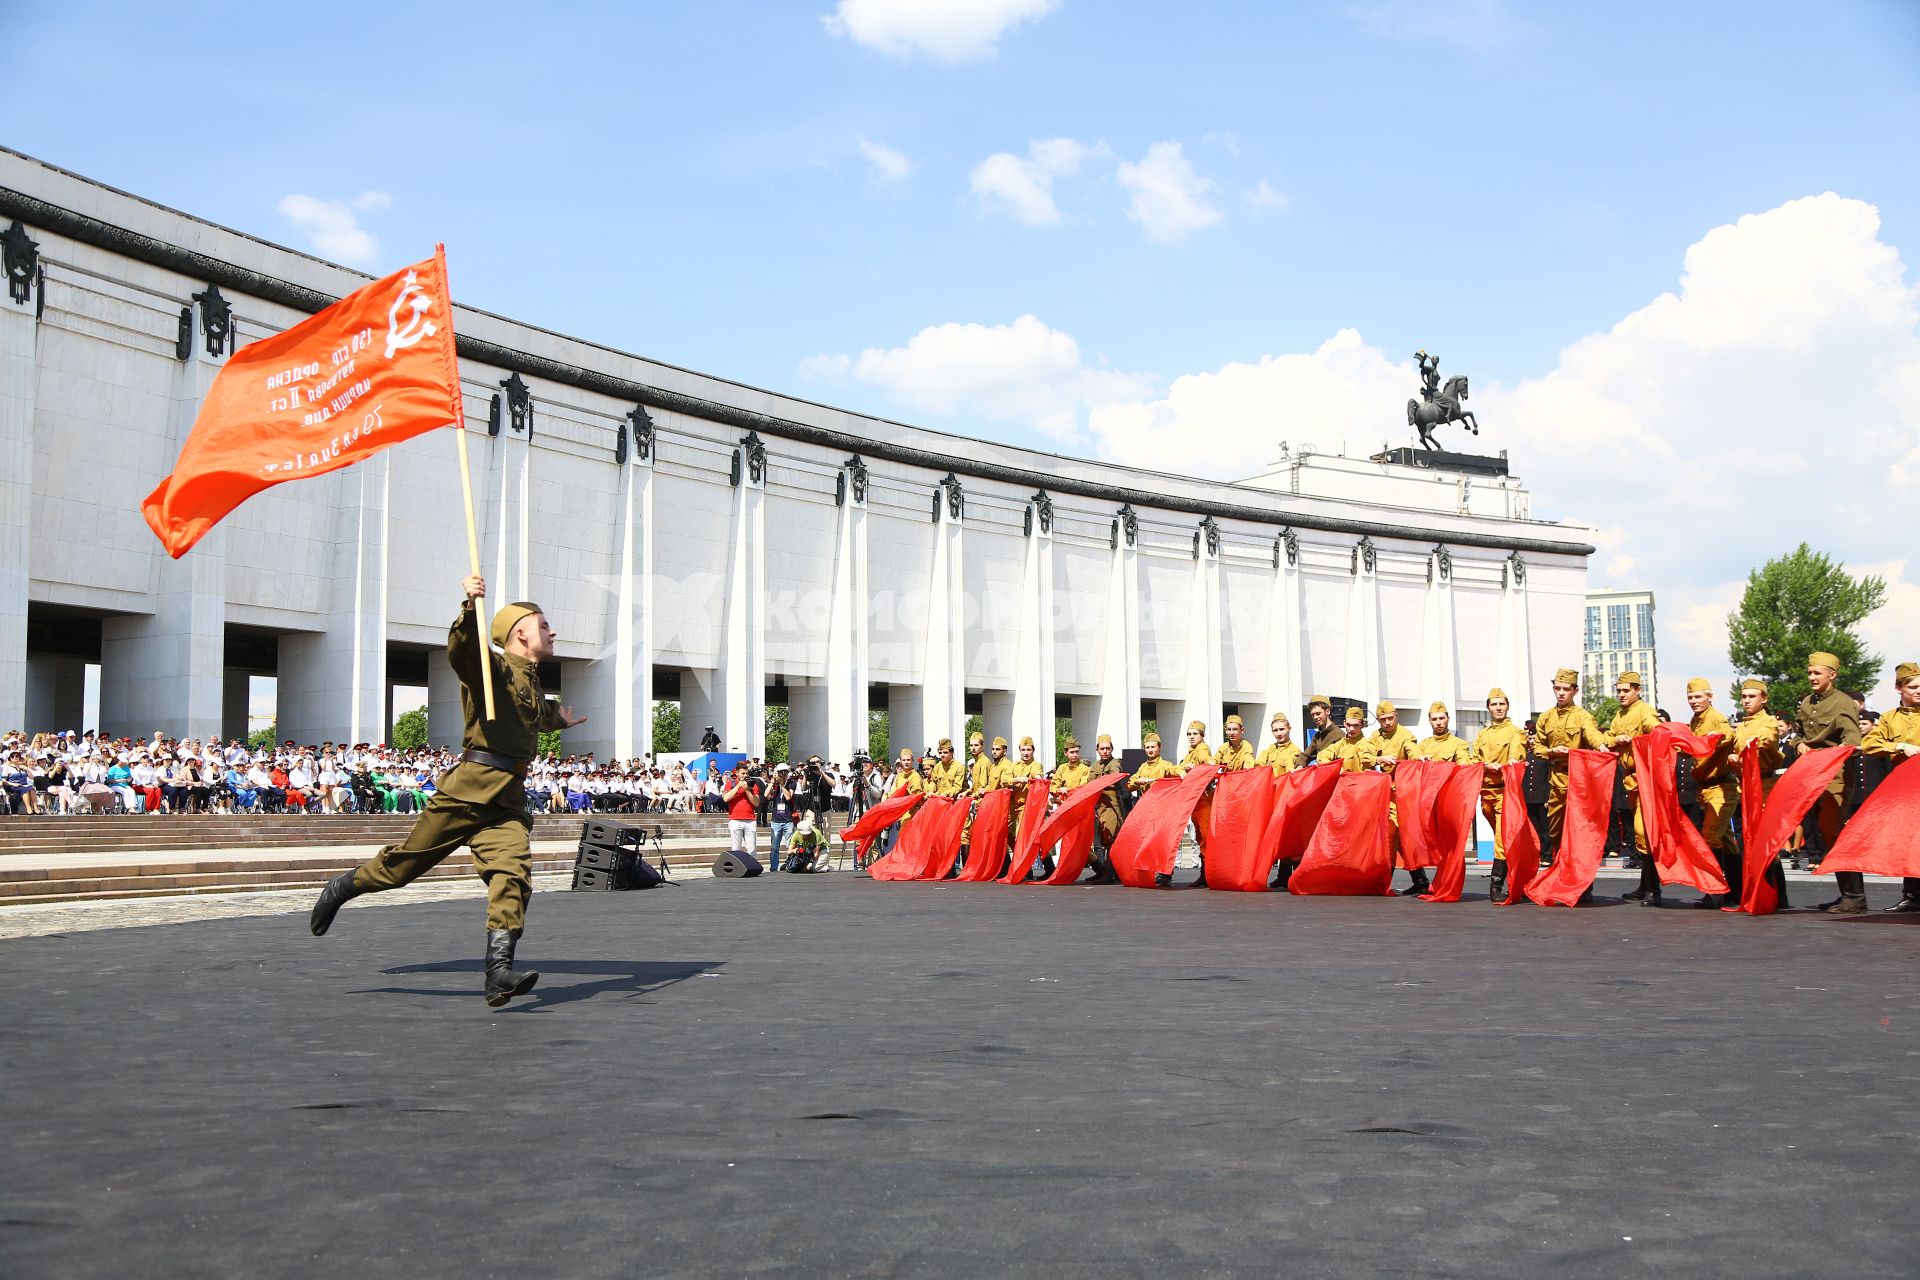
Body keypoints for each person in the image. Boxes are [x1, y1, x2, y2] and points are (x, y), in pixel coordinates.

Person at [309, 575, 586, 1007]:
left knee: (513, 875)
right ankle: (343, 887)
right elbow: (463, 654)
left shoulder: (530, 679)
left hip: (506, 802)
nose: (553, 632)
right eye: (545, 624)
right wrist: (470, 608)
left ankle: (498, 974)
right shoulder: (492, 668)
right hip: (466, 792)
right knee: (401, 870)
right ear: (521, 633)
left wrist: (558, 721)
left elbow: (536, 714)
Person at [1797, 651, 1865, 912]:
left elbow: (1852, 740)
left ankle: (1854, 896)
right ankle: (1848, 894)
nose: (1812, 677)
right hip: (1810, 776)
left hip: (1835, 777)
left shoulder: (1843, 703)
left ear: (1832, 675)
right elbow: (1798, 735)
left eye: (1817, 673)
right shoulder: (1806, 703)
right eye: (1810, 673)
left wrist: (1833, 754)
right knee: (1826, 833)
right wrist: (1799, 744)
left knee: (1834, 831)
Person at [1860, 660, 1920, 912]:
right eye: (1913, 686)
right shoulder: (1888, 718)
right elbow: (1869, 745)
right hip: (1905, 792)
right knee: (1910, 842)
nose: (1918, 690)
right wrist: (1898, 746)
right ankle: (1913, 896)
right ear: (1899, 689)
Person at [1530, 668, 1608, 858]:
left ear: (1575, 691)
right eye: (1558, 688)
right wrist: (1551, 751)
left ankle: (1581, 880)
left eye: (1566, 689)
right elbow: (1538, 748)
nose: (1561, 693)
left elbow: (1592, 733)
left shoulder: (1582, 715)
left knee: (1579, 827)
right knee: (1555, 829)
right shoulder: (1545, 717)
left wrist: (1602, 746)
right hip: (1555, 778)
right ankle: (1561, 864)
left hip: (1578, 779)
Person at [1684, 678, 1741, 907]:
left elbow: (1728, 733)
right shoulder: (1695, 721)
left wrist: (1714, 740)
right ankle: (1737, 891)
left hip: (1721, 786)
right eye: (1690, 698)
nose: (1693, 701)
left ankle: (1716, 891)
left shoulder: (1716, 718)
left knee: (1710, 838)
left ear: (1710, 697)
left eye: (1698, 697)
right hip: (1707, 787)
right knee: (1726, 842)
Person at [1606, 672, 1662, 904]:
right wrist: (1615, 740)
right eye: (1618, 690)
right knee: (1638, 833)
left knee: (1643, 833)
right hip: (1628, 781)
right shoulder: (1620, 714)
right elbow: (1608, 737)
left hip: (1644, 780)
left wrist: (1638, 739)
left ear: (1638, 690)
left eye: (1626, 690)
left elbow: (1656, 729)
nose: (1621, 695)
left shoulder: (1644, 710)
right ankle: (1644, 886)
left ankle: (1653, 890)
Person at [1472, 688, 1530, 902]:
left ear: (1507, 706)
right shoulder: (1482, 734)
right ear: (1488, 708)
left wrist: (1507, 764)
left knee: (1501, 840)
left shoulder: (1515, 732)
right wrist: (1485, 765)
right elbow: (1473, 759)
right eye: (1494, 704)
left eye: (1502, 704)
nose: (1498, 708)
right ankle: (1520, 882)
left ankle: (1495, 884)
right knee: (1508, 842)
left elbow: (1516, 754)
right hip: (1485, 794)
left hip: (1505, 793)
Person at [1366, 702, 1421, 892]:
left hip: (1402, 793)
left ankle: (1387, 881)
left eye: (1390, 718)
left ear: (1396, 715)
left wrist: (1419, 757)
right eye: (1383, 720)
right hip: (1383, 793)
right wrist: (1379, 759)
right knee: (1394, 837)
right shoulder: (1375, 737)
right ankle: (1419, 881)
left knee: (1394, 836)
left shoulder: (1405, 735)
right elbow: (1365, 754)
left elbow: (1412, 749)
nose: (1387, 723)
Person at [1127, 732, 1185, 887]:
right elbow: (1130, 782)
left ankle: (1166, 873)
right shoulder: (1143, 767)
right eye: (1147, 747)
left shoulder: (1164, 765)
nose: (1150, 750)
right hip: (1147, 809)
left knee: (1162, 842)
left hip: (1162, 809)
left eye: (1153, 747)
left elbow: (1175, 770)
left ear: (1160, 748)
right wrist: (1137, 781)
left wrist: (1182, 773)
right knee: (1146, 841)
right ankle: (1152, 870)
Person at [1003, 735, 1048, 877]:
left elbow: (1037, 774)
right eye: (1023, 750)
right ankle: (1017, 865)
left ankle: (1026, 869)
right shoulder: (1014, 765)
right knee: (1004, 833)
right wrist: (1017, 779)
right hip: (1012, 806)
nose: (1026, 753)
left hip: (1026, 807)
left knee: (1022, 837)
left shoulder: (1035, 765)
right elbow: (1005, 780)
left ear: (1033, 750)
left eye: (1028, 749)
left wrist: (1038, 779)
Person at [1088, 733, 1127, 884]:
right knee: (1103, 840)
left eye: (1108, 748)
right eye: (1102, 748)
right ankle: (1110, 872)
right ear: (1097, 749)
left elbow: (1114, 778)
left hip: (1111, 805)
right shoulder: (1096, 766)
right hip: (1100, 805)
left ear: (1112, 749)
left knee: (1111, 839)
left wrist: (1100, 784)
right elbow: (1089, 784)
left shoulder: (1114, 763)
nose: (1105, 751)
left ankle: (1109, 873)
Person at [723, 764, 762, 864]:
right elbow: (726, 798)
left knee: (751, 848)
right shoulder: (730, 784)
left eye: (746, 773)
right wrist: (738, 786)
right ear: (737, 773)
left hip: (750, 820)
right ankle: (736, 867)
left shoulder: (753, 785)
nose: (745, 775)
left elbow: (756, 803)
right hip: (735, 820)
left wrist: (747, 790)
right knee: (736, 848)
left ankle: (753, 867)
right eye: (743, 773)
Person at [766, 763, 796, 874]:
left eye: (784, 772)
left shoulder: (792, 783)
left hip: (788, 819)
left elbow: (788, 796)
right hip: (776, 820)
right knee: (774, 847)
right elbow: (766, 795)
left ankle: (791, 865)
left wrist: (782, 785)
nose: (782, 775)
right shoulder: (775, 785)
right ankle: (773, 868)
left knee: (790, 845)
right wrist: (772, 783)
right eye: (780, 772)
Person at [1304, 694, 1340, 759]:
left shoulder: (1339, 735)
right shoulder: (1318, 736)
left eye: (1318, 713)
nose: (1315, 717)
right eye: (1313, 715)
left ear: (1327, 711)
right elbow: (1306, 755)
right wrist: (1299, 766)